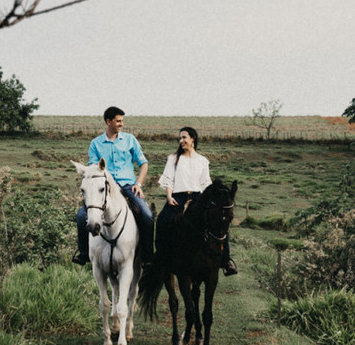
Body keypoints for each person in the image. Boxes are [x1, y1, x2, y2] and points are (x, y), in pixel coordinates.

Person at [73, 106, 155, 267]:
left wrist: (139, 184)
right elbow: (93, 168)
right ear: (108, 121)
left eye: (122, 121)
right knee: (81, 216)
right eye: (118, 121)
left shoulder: (130, 140)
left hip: (128, 186)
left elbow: (143, 164)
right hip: (105, 188)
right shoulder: (96, 143)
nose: (121, 124)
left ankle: (147, 255)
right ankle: (83, 253)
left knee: (147, 215)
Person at [156, 126, 237, 275]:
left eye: (184, 137)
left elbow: (206, 183)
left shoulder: (202, 161)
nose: (181, 141)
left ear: (193, 139)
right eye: (180, 138)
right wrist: (169, 196)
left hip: (198, 199)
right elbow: (168, 180)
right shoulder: (173, 159)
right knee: (162, 220)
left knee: (219, 223)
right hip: (178, 197)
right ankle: (160, 258)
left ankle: (226, 260)